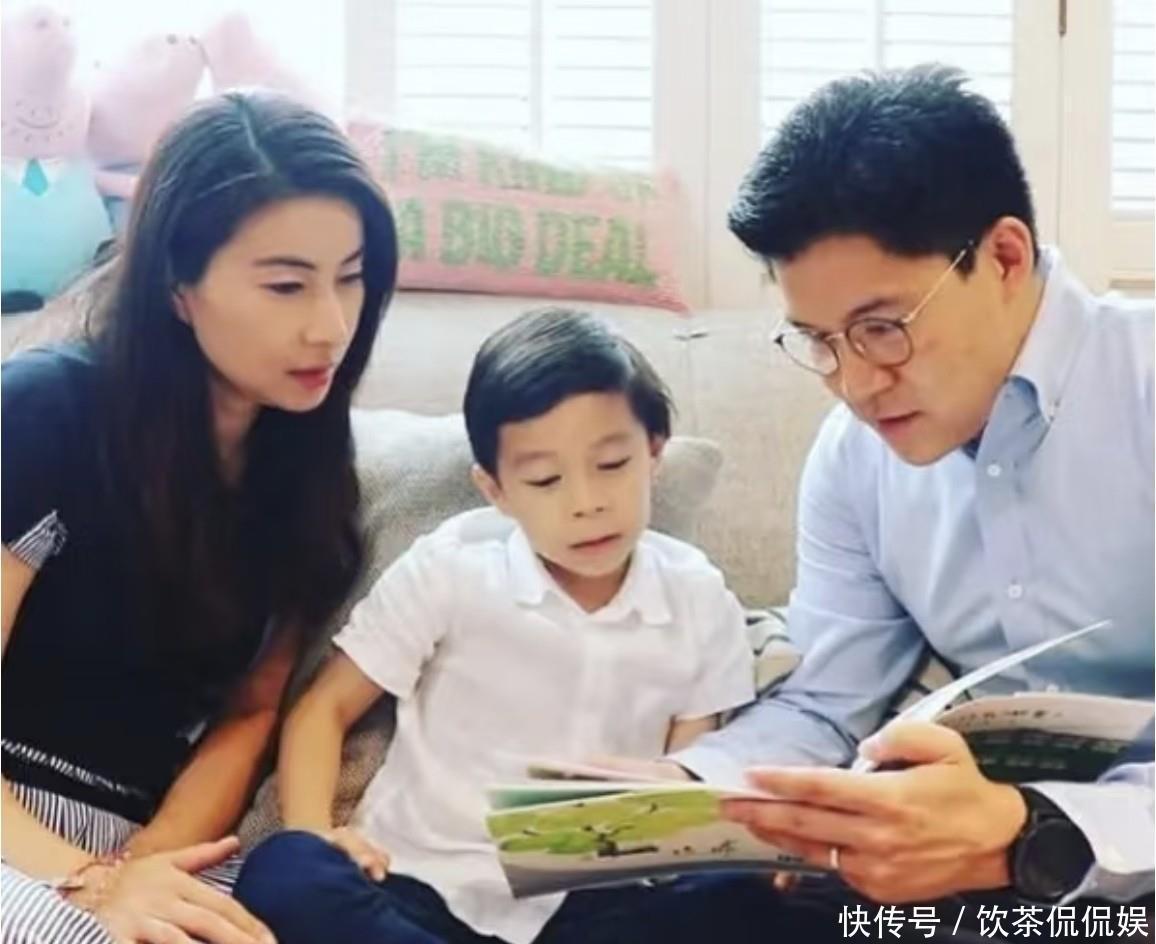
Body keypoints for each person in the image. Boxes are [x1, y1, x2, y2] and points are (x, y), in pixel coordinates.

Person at [618, 64, 1155, 934]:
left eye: (882, 328)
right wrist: (689, 788)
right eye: (819, 341)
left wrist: (1029, 833)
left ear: (1005, 257)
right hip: (973, 874)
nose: (856, 384)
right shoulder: (854, 461)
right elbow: (829, 698)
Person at [232, 308, 791, 944]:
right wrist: (318, 834)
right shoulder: (454, 564)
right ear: (495, 489)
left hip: (589, 898)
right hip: (417, 879)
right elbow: (323, 709)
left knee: (741, 894)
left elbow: (690, 775)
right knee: (286, 872)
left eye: (612, 464)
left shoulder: (698, 595)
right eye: (546, 480)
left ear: (654, 452)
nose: (586, 502)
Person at [1, 90, 399, 944]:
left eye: (351, 277)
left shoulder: (310, 474)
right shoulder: (44, 413)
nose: (331, 326)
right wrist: (87, 884)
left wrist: (140, 866)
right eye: (287, 285)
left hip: (151, 836)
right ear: (177, 286)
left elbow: (250, 715)